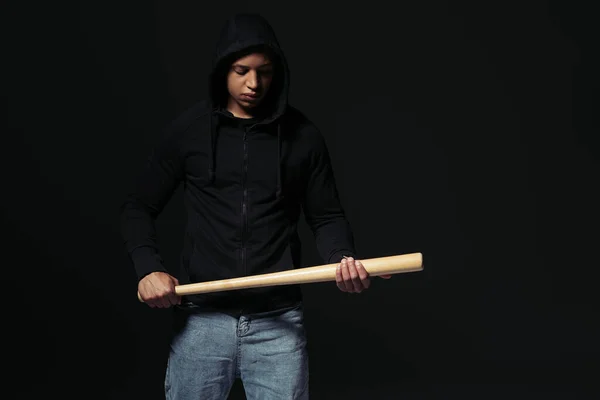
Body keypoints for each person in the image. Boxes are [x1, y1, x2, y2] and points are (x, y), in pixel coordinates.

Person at [120, 12, 390, 400]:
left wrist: (342, 257)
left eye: (264, 71)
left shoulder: (303, 137)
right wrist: (148, 269)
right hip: (202, 322)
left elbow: (327, 216)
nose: (253, 83)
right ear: (222, 70)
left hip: (278, 324)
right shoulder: (189, 132)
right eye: (241, 70)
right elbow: (137, 206)